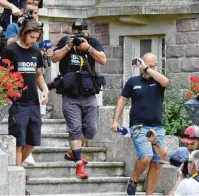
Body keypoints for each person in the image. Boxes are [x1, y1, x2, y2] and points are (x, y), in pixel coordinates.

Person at [51, 20, 107, 179]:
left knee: (92, 129)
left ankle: (73, 152)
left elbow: (103, 59)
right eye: (76, 31)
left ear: (87, 31)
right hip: (70, 93)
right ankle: (79, 164)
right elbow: (54, 59)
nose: (78, 34)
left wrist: (87, 48)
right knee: (74, 128)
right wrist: (68, 47)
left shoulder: (92, 42)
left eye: (82, 31)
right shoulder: (65, 41)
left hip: (89, 93)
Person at [110, 53, 170, 195]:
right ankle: (134, 179)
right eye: (145, 65)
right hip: (139, 126)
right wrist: (115, 120)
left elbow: (166, 81)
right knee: (146, 157)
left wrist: (148, 69)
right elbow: (122, 100)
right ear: (140, 65)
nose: (147, 68)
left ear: (155, 66)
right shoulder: (133, 81)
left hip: (158, 127)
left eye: (151, 65)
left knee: (156, 163)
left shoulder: (158, 81)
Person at [0, 21, 48, 168]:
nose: (34, 40)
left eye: (36, 38)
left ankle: (17, 172)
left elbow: (38, 74)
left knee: (32, 142)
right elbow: (2, 74)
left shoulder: (35, 52)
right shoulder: (10, 50)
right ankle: (17, 176)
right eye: (32, 37)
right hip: (17, 103)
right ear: (24, 33)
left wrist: (45, 90)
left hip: (34, 102)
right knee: (18, 143)